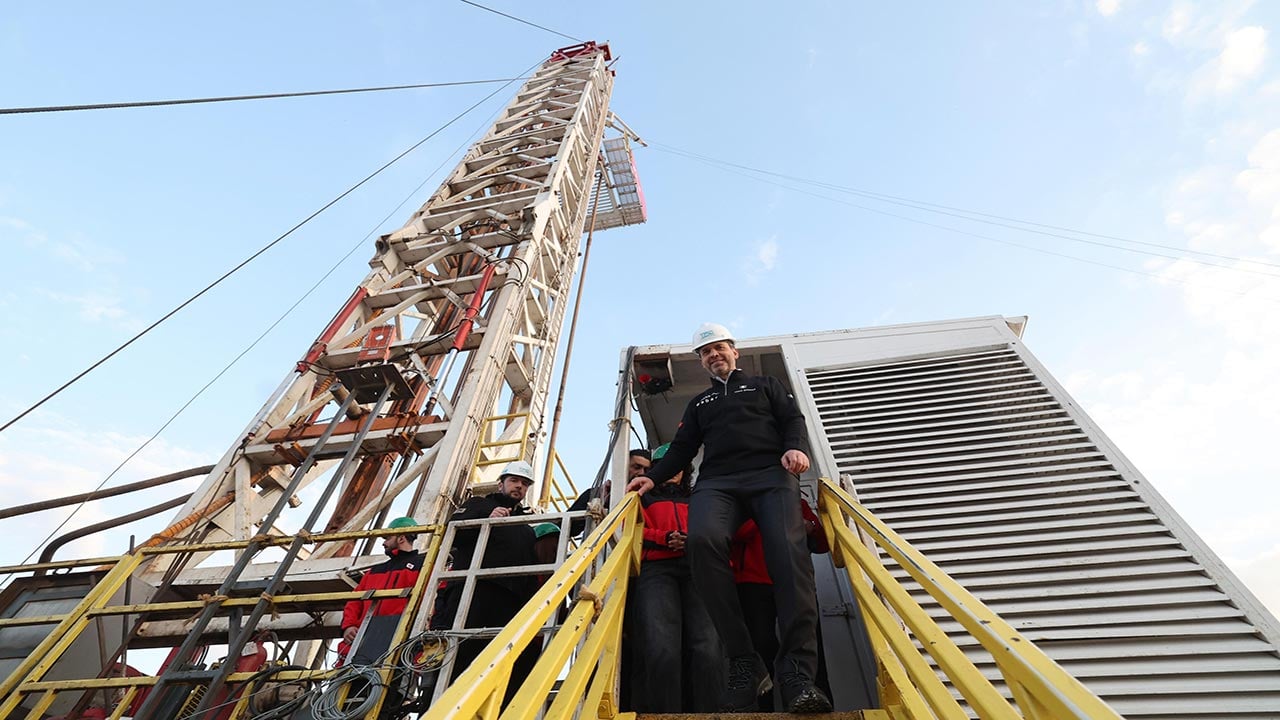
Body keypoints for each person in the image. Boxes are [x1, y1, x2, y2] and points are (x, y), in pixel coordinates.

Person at [627, 322, 832, 713]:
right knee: (703, 542)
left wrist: (793, 448)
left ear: (734, 351)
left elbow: (793, 420)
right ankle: (743, 659)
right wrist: (650, 480)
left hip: (770, 476)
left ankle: (797, 674)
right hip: (719, 481)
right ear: (702, 361)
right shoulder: (700, 404)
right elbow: (682, 449)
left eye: (719, 348)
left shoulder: (766, 386)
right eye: (705, 352)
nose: (713, 355)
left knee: (789, 560)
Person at [430, 460, 541, 706]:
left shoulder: (525, 527)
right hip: (473, 593)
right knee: (459, 658)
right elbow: (452, 533)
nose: (519, 487)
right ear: (500, 483)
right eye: (514, 481)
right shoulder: (478, 505)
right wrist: (485, 519)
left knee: (499, 663)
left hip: (510, 602)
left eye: (524, 484)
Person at [629, 443, 723, 712]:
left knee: (708, 647)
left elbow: (716, 529)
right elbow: (630, 530)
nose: (673, 472)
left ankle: (710, 715)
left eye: (678, 467)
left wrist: (692, 540)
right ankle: (664, 714)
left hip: (698, 569)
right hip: (656, 571)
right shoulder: (639, 498)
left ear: (685, 470)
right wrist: (664, 538)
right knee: (662, 648)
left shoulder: (700, 498)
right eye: (665, 466)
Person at [732, 498, 829, 711]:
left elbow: (823, 543)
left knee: (807, 640)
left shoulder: (796, 502)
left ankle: (815, 700)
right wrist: (768, 516)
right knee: (761, 644)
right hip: (752, 581)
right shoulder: (739, 502)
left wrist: (810, 526)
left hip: (793, 579)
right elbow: (737, 534)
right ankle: (764, 708)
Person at [338, 516, 426, 667]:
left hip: (400, 640)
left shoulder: (424, 566)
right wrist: (348, 626)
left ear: (401, 538)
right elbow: (354, 601)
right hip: (363, 640)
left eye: (388, 537)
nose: (383, 542)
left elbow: (429, 600)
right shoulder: (374, 571)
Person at [567, 448, 651, 536]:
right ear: (623, 467)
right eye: (637, 467)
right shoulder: (596, 494)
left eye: (646, 470)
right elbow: (570, 528)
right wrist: (603, 502)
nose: (642, 473)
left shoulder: (650, 499)